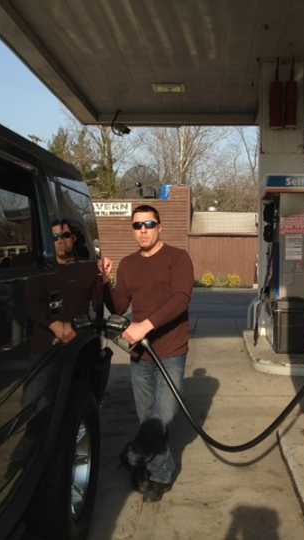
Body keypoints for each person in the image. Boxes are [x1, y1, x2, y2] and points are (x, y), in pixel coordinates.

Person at [103, 204, 194, 502]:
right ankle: (159, 472)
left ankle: (133, 454)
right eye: (137, 226)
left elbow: (181, 300)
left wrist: (145, 325)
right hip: (140, 355)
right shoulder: (128, 264)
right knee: (147, 419)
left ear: (160, 227)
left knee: (163, 414)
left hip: (171, 349)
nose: (143, 230)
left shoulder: (178, 259)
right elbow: (117, 306)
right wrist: (105, 282)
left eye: (149, 224)